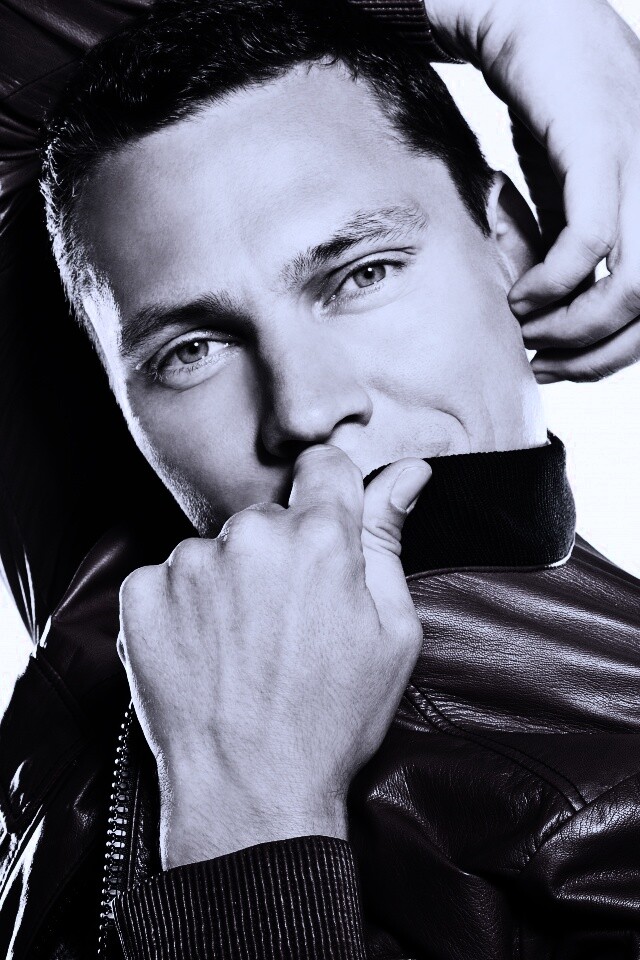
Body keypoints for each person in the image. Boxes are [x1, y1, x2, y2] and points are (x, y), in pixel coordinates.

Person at [1, 1, 640, 959]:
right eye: (194, 348)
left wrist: (251, 826)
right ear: (116, 393)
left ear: (507, 239)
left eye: (362, 274)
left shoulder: (618, 790)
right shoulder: (125, 572)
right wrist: (510, 13)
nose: (303, 410)